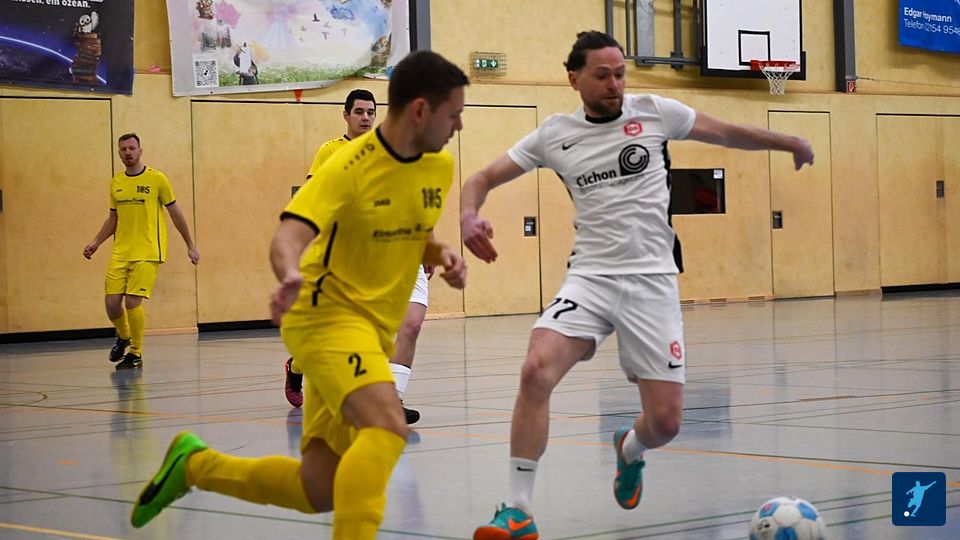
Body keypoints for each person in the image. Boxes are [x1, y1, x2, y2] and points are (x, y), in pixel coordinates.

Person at [462, 31, 814, 540]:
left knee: (666, 423)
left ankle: (630, 448)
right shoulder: (554, 135)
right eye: (602, 75)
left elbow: (724, 132)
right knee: (535, 370)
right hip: (591, 277)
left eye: (620, 74)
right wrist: (469, 216)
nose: (615, 84)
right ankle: (518, 510)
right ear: (574, 79)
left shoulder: (653, 112)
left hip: (652, 281)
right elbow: (480, 178)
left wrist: (788, 141)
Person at [130, 50, 469, 540]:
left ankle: (194, 466)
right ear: (420, 110)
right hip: (326, 318)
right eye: (453, 115)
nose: (459, 126)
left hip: (372, 331)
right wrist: (289, 274)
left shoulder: (438, 166)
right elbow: (288, 235)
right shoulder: (347, 166)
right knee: (387, 426)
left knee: (318, 489)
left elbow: (409, 225)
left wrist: (440, 252)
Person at [285, 89, 430, 425]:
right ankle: (297, 366)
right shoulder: (330, 152)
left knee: (411, 323)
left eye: (371, 112)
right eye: (359, 112)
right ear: (346, 115)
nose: (366, 117)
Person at [83, 133, 200, 371]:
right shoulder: (116, 182)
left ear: (140, 151)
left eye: (132, 148)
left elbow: (175, 213)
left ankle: (135, 353)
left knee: (132, 302)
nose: (128, 152)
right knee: (112, 304)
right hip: (121, 251)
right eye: (123, 149)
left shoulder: (157, 179)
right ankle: (124, 336)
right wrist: (96, 242)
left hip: (148, 251)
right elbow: (113, 218)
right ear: (119, 153)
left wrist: (190, 244)